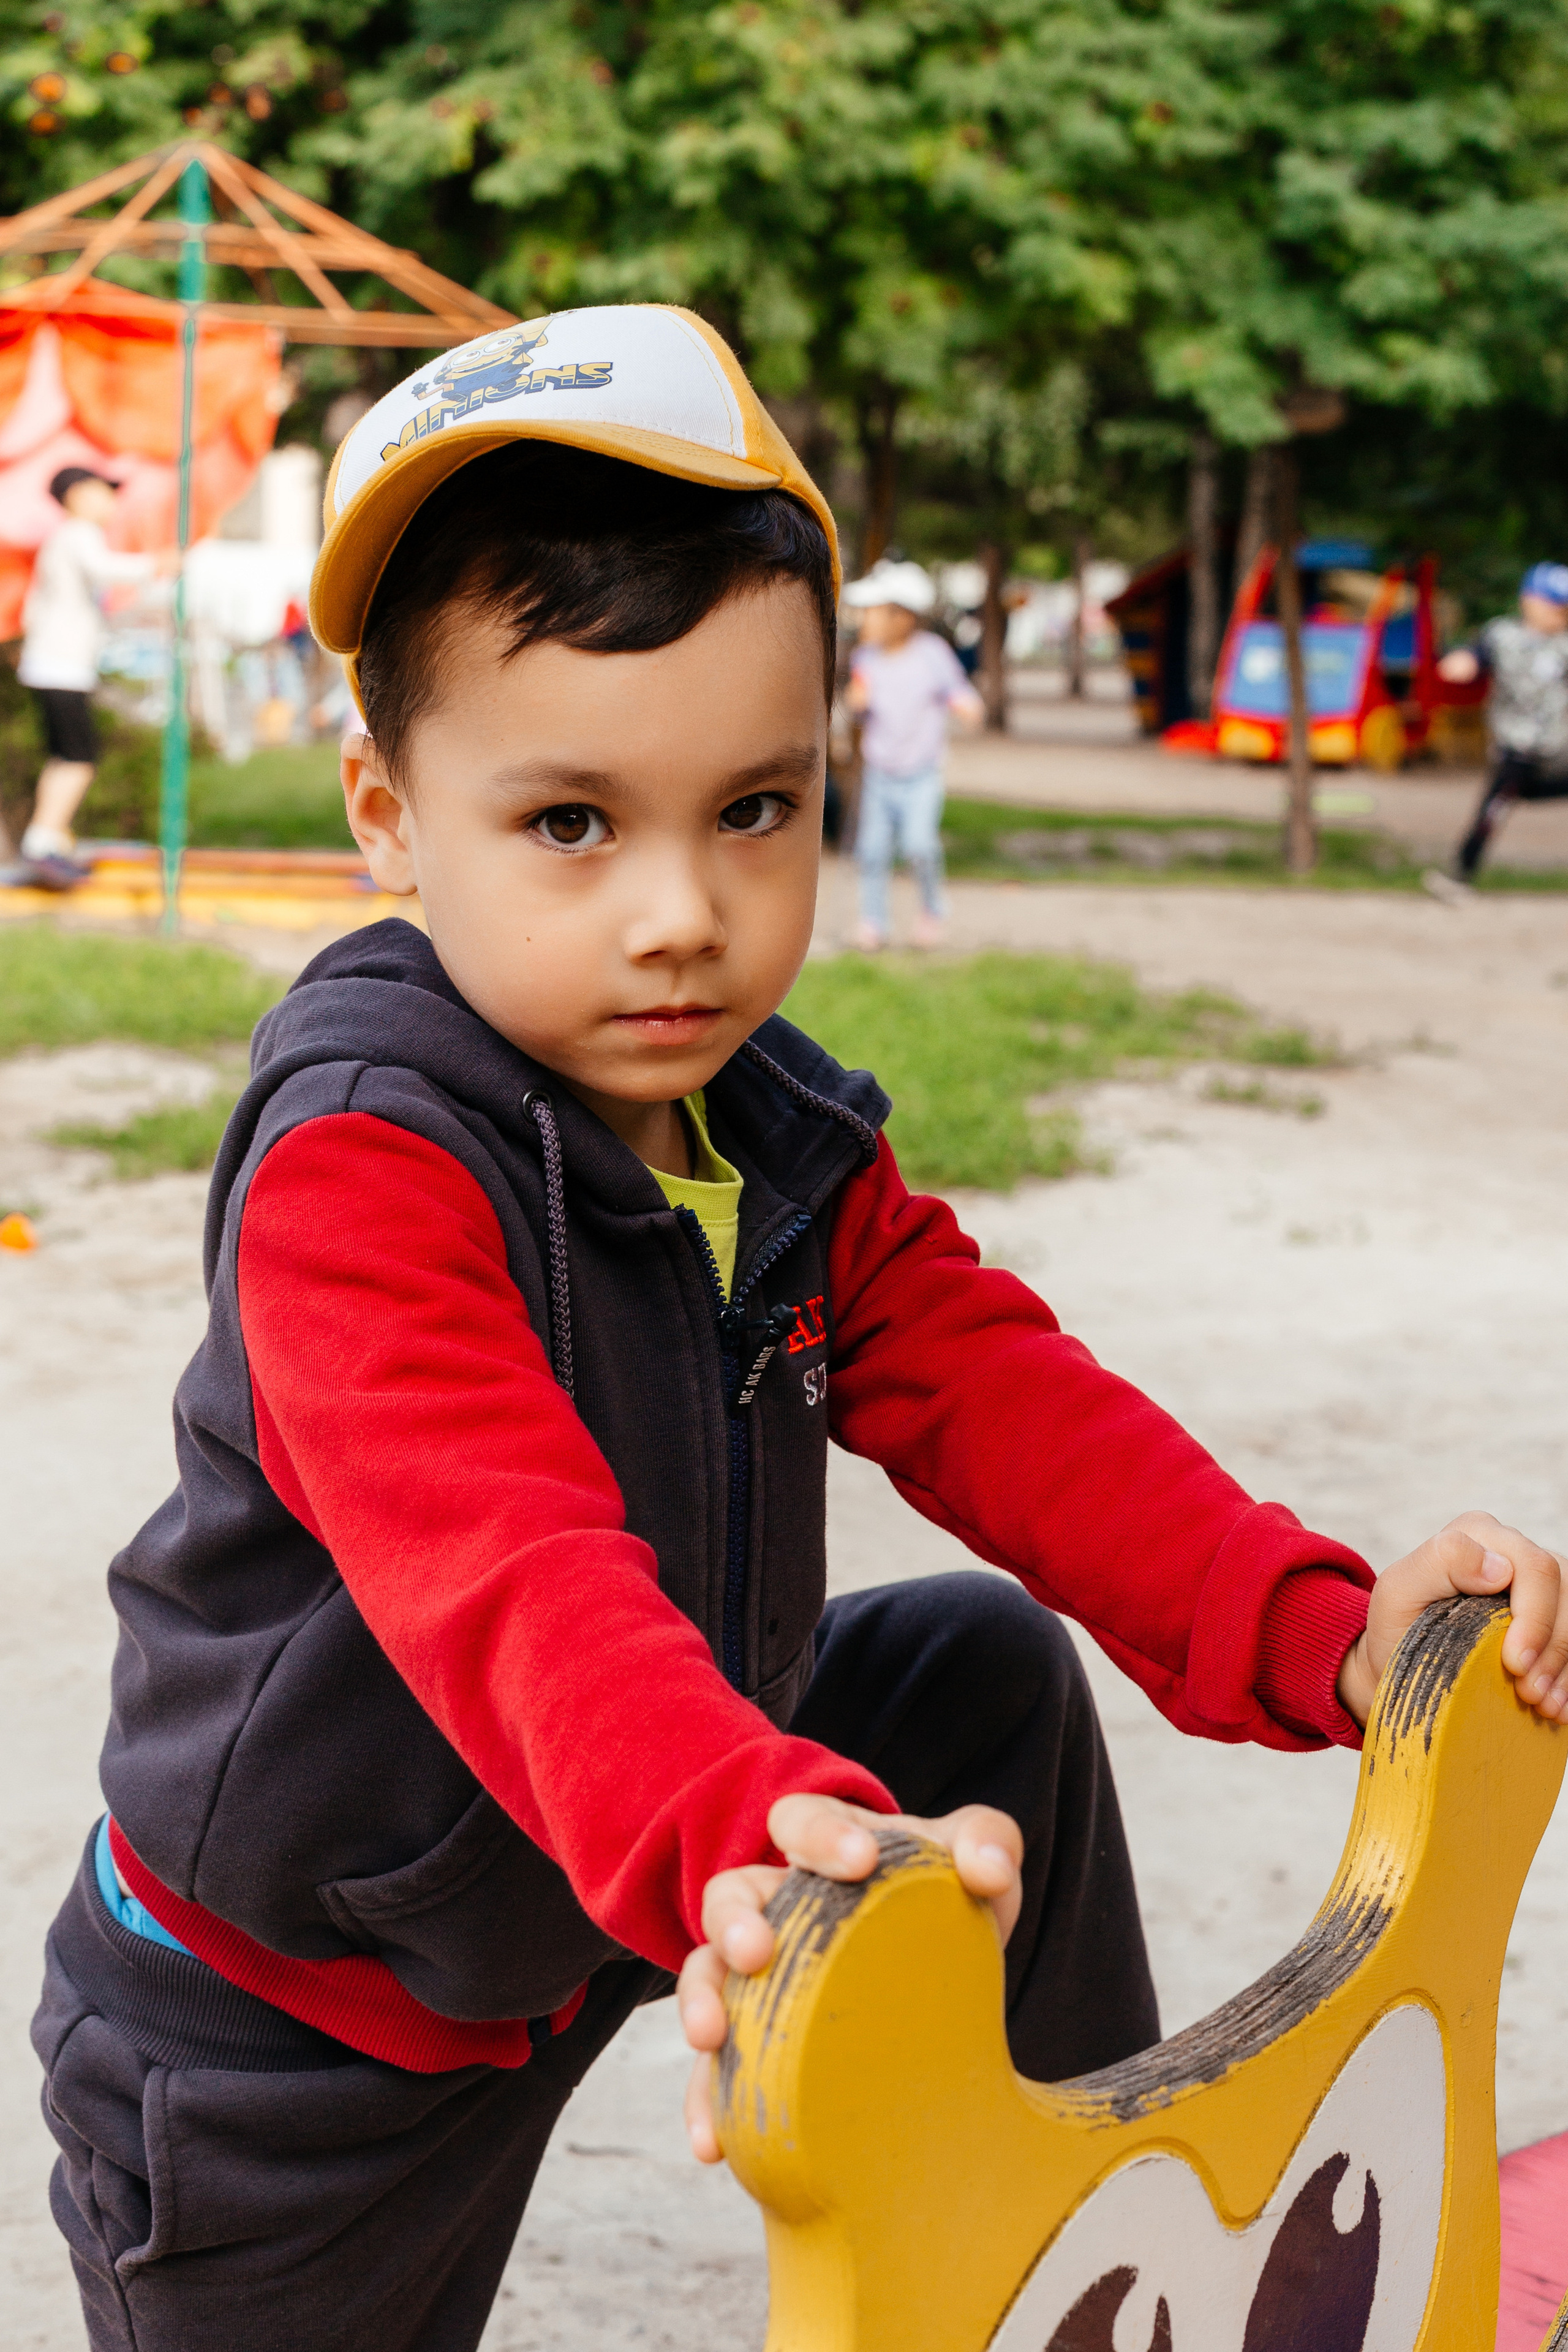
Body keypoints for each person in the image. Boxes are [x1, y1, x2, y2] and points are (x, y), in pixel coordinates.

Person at [32, 304, 1568, 2352]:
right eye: (571, 823)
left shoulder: (766, 1132)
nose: (682, 912)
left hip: (674, 1841)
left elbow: (1009, 1400)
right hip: (308, 2016)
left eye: (755, 809)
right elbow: (503, 1562)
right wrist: (727, 1824)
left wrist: (1319, 1627)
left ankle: (1059, 2242)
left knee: (970, 1675)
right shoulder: (360, 1166)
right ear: (387, 815)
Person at [9, 469, 176, 891]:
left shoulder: (67, 540)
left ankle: (48, 840)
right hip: (60, 667)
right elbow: (106, 569)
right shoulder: (77, 535)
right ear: (80, 495)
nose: (112, 503)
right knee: (79, 757)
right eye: (106, 492)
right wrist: (158, 563)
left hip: (56, 666)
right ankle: (43, 841)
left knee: (66, 756)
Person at [843, 556, 983, 951]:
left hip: (920, 773)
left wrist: (967, 706)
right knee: (871, 851)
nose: (865, 621)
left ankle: (932, 909)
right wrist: (857, 701)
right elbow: (859, 705)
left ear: (901, 617)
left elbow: (956, 690)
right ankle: (873, 921)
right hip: (879, 772)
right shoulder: (865, 658)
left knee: (920, 846)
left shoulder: (931, 653)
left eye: (873, 613)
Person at [1428, 561, 1568, 895]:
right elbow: (1477, 656)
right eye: (1554, 605)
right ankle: (1460, 874)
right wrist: (1465, 662)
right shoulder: (1504, 635)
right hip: (1517, 748)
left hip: (1559, 747)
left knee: (1509, 798)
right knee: (1494, 809)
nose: (1559, 614)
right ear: (1529, 601)